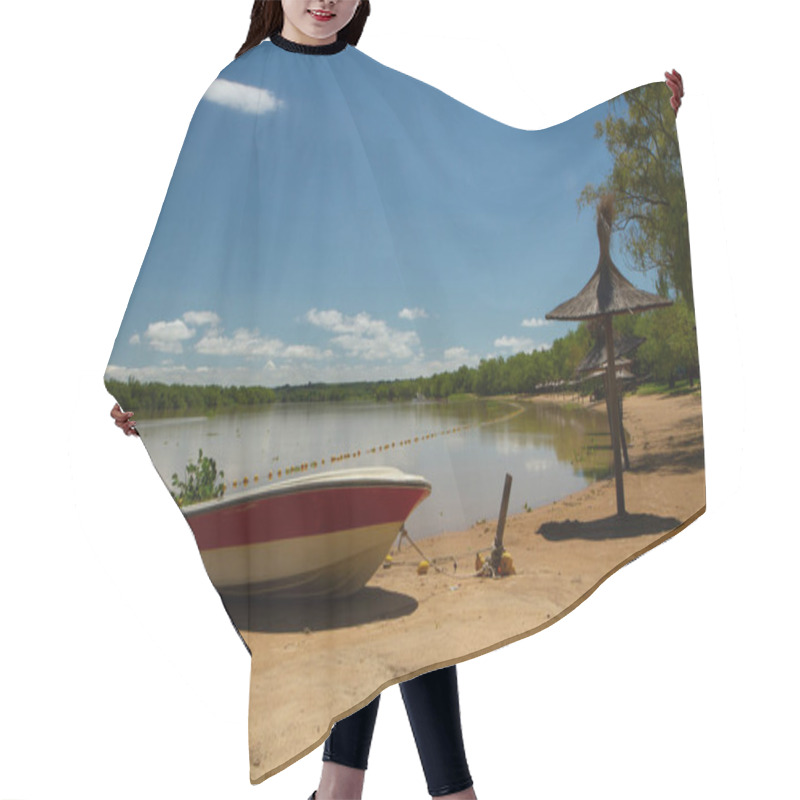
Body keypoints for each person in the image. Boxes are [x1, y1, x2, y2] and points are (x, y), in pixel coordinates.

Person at [109, 3, 684, 798]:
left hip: (399, 326)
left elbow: (492, 166)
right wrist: (154, 392)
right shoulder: (235, 92)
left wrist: (637, 119)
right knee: (366, 609)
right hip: (273, 357)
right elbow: (198, 240)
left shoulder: (380, 88)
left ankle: (365, 789)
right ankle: (408, 790)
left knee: (393, 608)